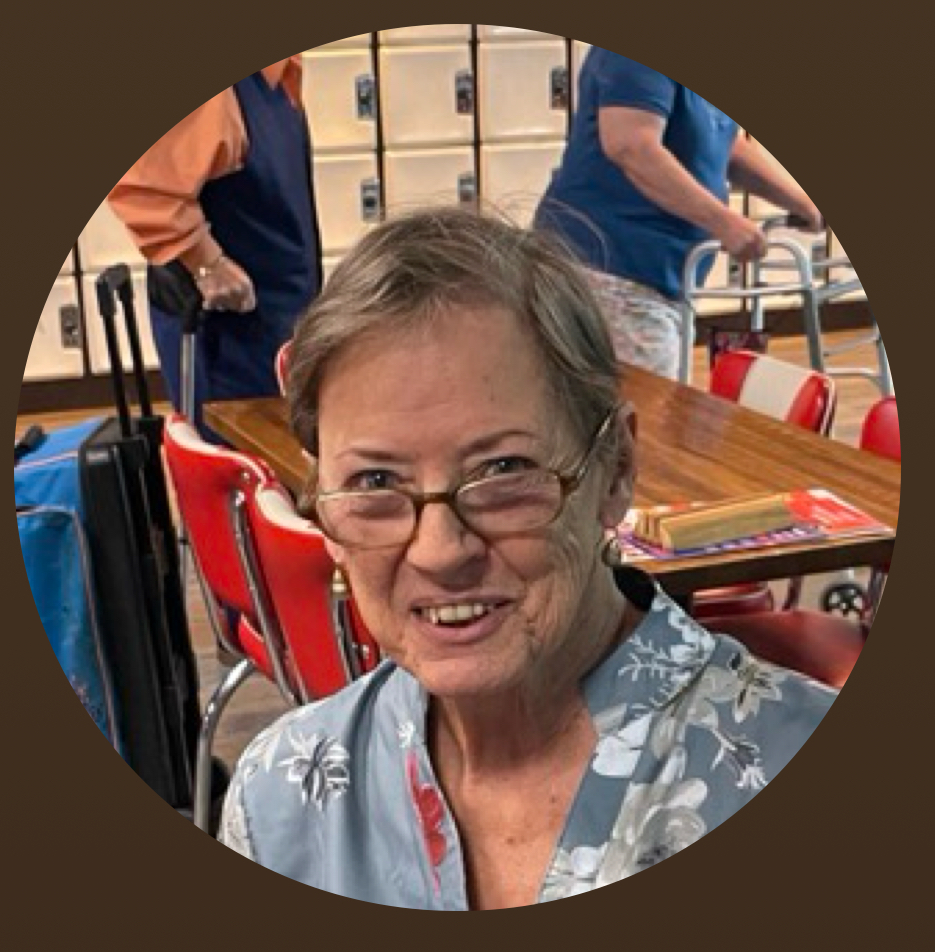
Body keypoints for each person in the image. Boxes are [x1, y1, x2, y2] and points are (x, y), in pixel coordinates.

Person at [217, 207, 837, 909]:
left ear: (614, 468)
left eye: (503, 469)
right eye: (374, 483)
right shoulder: (283, 801)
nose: (440, 550)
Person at [534, 48, 824, 379]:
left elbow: (725, 144)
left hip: (659, 278)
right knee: (642, 413)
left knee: (646, 406)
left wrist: (804, 203)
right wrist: (723, 222)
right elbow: (631, 145)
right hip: (608, 268)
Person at [108, 56, 322, 437]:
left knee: (283, 453)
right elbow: (142, 182)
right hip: (227, 325)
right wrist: (206, 262)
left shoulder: (274, 73)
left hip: (281, 303)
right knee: (235, 466)